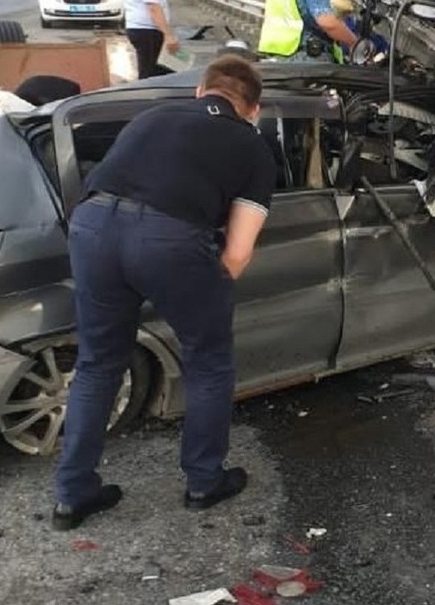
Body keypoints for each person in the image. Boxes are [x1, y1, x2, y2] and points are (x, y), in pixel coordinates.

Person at [51, 54, 277, 530]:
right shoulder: (253, 147)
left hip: (91, 225)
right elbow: (237, 253)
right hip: (168, 238)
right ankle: (203, 482)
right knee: (208, 360)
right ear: (253, 109)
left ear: (200, 91)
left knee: (98, 362)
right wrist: (204, 289)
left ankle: (73, 495)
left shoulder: (152, 115)